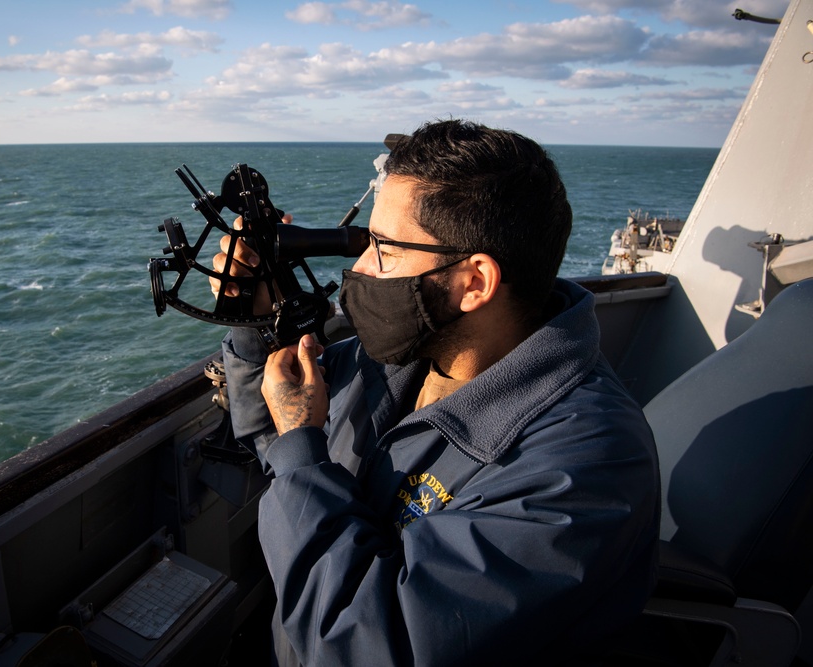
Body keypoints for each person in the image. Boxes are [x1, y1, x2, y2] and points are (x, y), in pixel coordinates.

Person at [215, 119, 660, 665]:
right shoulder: (395, 358)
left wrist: (303, 450)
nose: (358, 268)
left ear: (473, 282)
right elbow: (279, 446)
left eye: (384, 249)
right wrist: (261, 325)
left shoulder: (585, 467)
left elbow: (369, 646)